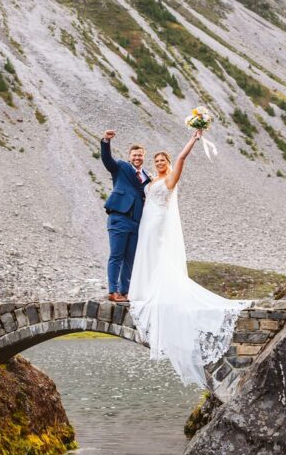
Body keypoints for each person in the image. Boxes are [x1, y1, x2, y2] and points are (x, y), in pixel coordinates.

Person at [128, 129, 247, 388]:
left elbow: (181, 159)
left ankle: (158, 293)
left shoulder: (171, 177)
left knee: (158, 255)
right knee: (146, 253)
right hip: (146, 222)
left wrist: (192, 140)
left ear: (169, 164)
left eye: (163, 161)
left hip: (159, 220)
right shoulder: (149, 182)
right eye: (156, 161)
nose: (159, 164)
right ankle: (145, 290)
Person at [100, 130, 150, 303]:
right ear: (130, 157)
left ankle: (125, 291)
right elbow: (107, 160)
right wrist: (106, 141)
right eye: (135, 155)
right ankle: (113, 291)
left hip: (136, 222)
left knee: (130, 259)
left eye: (140, 155)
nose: (137, 158)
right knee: (116, 255)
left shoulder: (147, 177)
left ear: (144, 157)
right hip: (119, 218)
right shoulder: (121, 167)